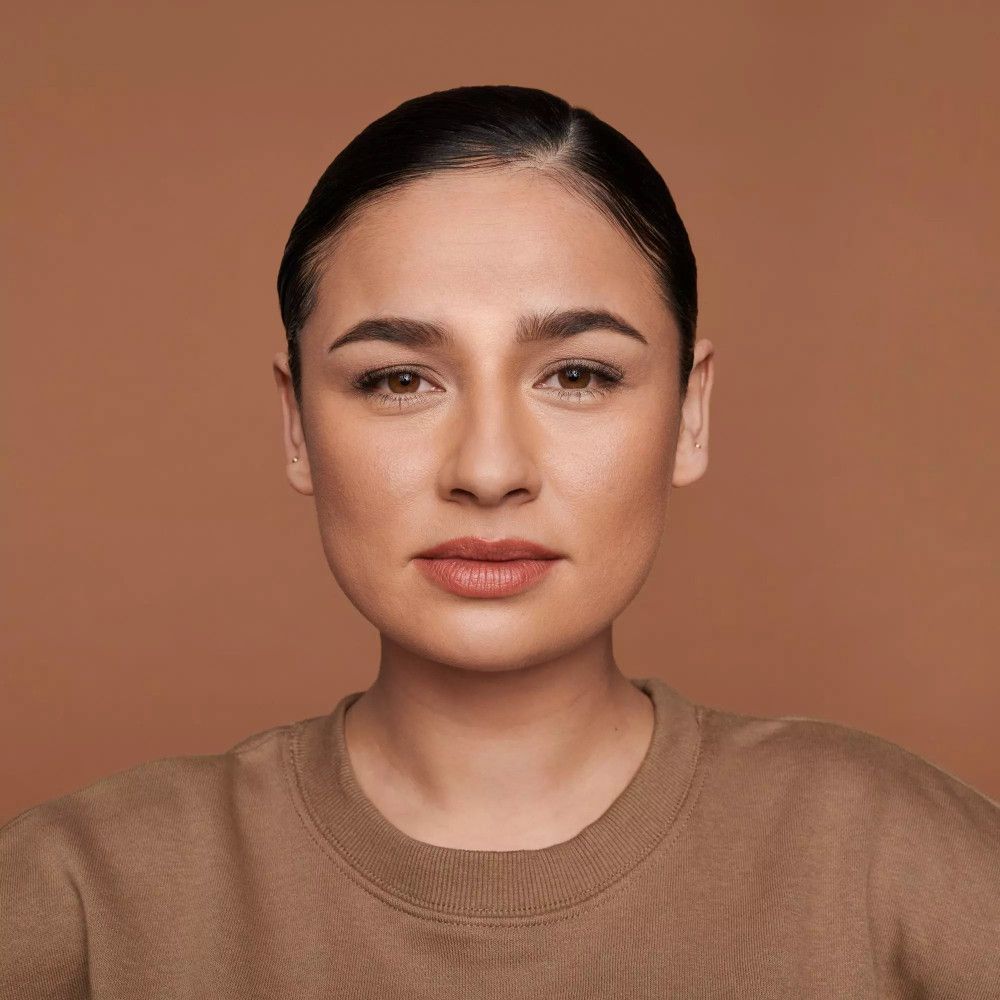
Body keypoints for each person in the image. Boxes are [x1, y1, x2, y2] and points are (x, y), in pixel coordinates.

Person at [2, 84, 997, 998]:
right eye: (398, 380)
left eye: (577, 375)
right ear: (298, 423)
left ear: (689, 415)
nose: (486, 469)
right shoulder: (83, 895)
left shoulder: (891, 857)